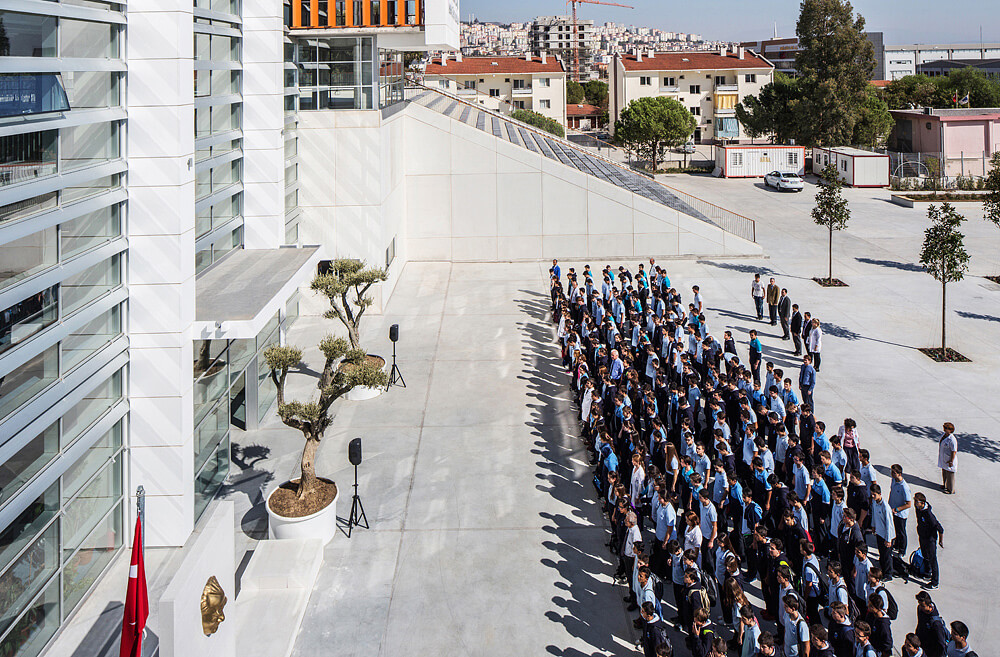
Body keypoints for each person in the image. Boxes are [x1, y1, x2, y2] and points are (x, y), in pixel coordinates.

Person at [914, 493, 944, 590]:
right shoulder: (918, 509)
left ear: (922, 503)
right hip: (922, 536)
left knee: (932, 559)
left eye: (916, 501)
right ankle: (927, 573)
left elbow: (940, 528)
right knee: (925, 555)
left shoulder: (929, 515)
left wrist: (940, 540)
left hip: (930, 539)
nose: (915, 503)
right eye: (914, 500)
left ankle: (935, 582)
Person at [869, 484, 896, 580]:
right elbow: (874, 515)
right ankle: (882, 568)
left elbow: (889, 524)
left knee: (887, 556)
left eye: (874, 494)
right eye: (872, 494)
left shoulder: (885, 507)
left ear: (879, 494)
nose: (873, 496)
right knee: (882, 553)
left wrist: (888, 539)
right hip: (879, 533)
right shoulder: (874, 503)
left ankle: (888, 574)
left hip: (886, 535)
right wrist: (873, 526)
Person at [888, 464, 913, 558]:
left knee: (901, 532)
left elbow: (908, 504)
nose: (892, 474)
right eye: (891, 472)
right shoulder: (893, 480)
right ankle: (897, 545)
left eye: (894, 473)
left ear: (899, 474)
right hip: (893, 510)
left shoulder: (904, 487)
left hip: (900, 514)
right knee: (896, 530)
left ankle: (902, 550)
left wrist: (897, 509)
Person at [915, 592, 949, 657]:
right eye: (919, 604)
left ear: (930, 606)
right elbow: (919, 624)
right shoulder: (920, 609)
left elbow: (941, 644)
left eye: (922, 606)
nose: (920, 607)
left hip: (931, 651)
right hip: (922, 645)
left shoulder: (936, 623)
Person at [937, 423, 957, 494]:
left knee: (950, 474)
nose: (944, 429)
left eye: (946, 428)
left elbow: (954, 451)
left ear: (950, 430)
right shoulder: (944, 435)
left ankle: (950, 489)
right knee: (944, 472)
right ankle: (945, 485)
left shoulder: (952, 439)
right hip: (944, 458)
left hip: (949, 459)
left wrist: (951, 461)